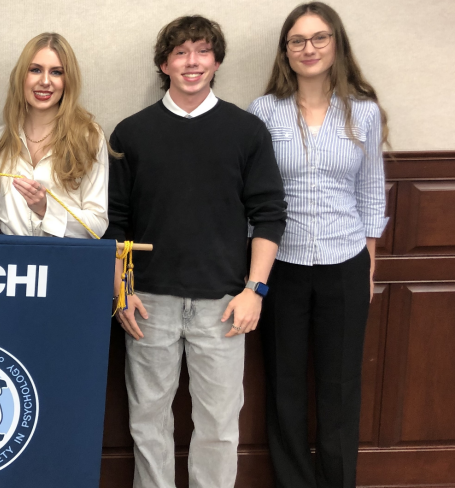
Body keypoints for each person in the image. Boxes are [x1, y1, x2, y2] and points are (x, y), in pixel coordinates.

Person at [104, 16, 287, 488]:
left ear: (217, 61)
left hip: (224, 305)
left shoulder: (246, 131)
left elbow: (269, 213)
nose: (192, 62)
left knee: (220, 428)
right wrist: (121, 291)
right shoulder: (131, 133)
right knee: (148, 423)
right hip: (148, 303)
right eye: (181, 52)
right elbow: (116, 223)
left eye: (202, 51)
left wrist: (255, 290)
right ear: (164, 63)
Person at [249, 3, 388, 486]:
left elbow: (371, 191)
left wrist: (367, 267)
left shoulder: (364, 112)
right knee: (285, 386)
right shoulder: (263, 112)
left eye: (319, 38)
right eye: (297, 40)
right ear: (285, 51)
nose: (308, 49)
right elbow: (253, 196)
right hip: (281, 265)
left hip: (345, 263)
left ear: (336, 44)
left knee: (341, 388)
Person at [0, 32, 114, 238]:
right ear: (21, 76)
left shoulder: (89, 137)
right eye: (35, 70)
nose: (45, 81)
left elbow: (96, 226)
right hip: (12, 263)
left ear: (68, 80)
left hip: (64, 261)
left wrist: (47, 210)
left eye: (56, 72)